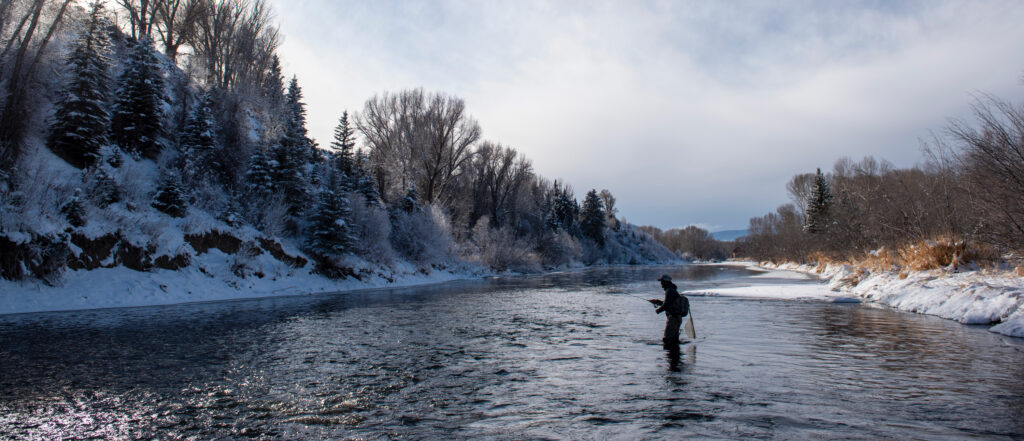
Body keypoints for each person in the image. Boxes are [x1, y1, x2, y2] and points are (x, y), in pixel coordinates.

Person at [649, 274, 689, 344]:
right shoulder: (672, 290)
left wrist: (658, 311)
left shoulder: (670, 291)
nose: (661, 284)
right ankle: (675, 354)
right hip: (677, 318)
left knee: (667, 340)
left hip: (673, 318)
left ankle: (671, 354)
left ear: (666, 282)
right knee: (674, 340)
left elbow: (666, 305)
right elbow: (670, 304)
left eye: (662, 282)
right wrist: (657, 302)